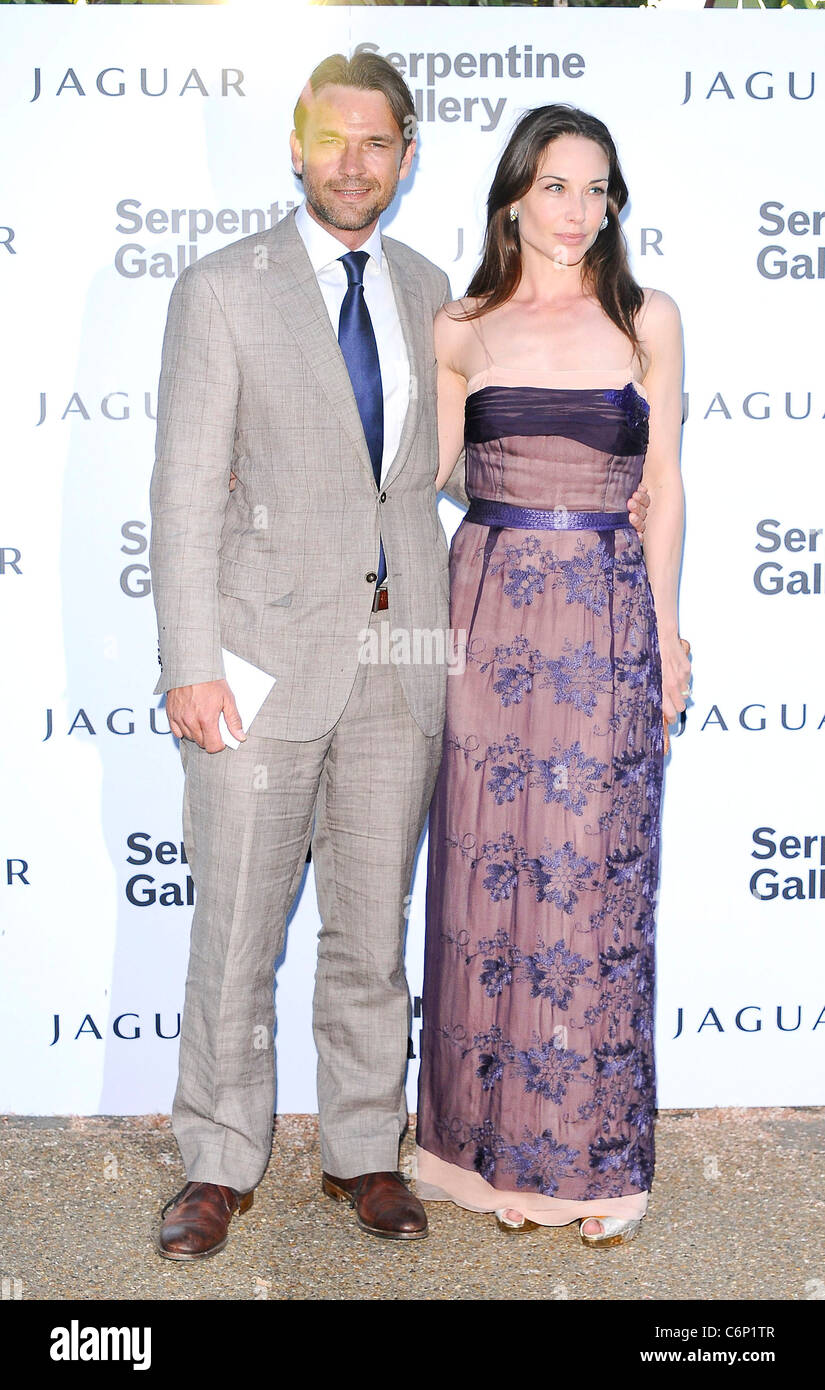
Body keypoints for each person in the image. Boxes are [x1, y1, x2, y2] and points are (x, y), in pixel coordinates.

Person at [149, 55, 650, 1261]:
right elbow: (180, 491)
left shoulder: (438, 296)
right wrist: (188, 661)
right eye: (335, 139)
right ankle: (219, 1162)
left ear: (409, 156)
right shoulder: (223, 289)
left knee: (372, 936)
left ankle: (367, 1152)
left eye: (379, 143)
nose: (355, 162)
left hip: (406, 665)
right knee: (234, 933)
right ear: (298, 144)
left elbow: (463, 480)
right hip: (257, 668)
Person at [415, 104, 691, 1247]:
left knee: (595, 890)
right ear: (515, 195)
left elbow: (666, 483)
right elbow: (421, 475)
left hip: (610, 622)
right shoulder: (459, 326)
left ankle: (592, 1162)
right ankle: (486, 1159)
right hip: (483, 623)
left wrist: (668, 635)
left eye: (599, 190)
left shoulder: (648, 318)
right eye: (558, 187)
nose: (579, 212)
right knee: (492, 882)